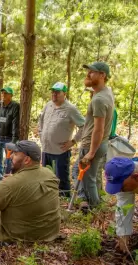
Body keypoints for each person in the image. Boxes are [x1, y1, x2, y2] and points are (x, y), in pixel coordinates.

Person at [0, 140, 60, 242]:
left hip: (23, 234)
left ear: (27, 160)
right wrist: (15, 178)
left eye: (15, 154)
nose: (10, 156)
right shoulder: (49, 173)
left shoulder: (10, 184)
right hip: (51, 231)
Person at [77, 62, 115, 209]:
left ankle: (95, 209)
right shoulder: (106, 92)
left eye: (92, 72)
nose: (88, 74)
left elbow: (98, 129)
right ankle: (90, 205)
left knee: (89, 179)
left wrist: (91, 153)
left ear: (102, 75)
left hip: (92, 144)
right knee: (85, 175)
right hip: (100, 143)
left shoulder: (99, 99)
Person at [38, 82, 85, 197]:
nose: (54, 94)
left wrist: (73, 141)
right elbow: (41, 120)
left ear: (64, 93)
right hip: (46, 148)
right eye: (53, 91)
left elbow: (84, 126)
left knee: (62, 179)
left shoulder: (70, 109)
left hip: (60, 150)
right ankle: (48, 198)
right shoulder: (48, 105)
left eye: (57, 92)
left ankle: (64, 201)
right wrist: (41, 133)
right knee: (46, 176)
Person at [103, 157, 138, 253]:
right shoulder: (124, 176)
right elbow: (123, 209)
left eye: (121, 187)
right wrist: (123, 238)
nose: (120, 190)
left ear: (135, 177)